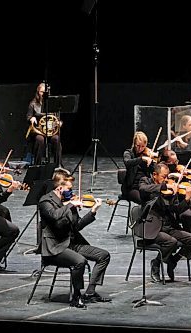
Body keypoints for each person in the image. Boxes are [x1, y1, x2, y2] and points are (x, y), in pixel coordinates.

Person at [39, 173, 111, 308]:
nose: (71, 192)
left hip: (72, 244)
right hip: (55, 248)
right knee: (80, 261)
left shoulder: (69, 203)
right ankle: (76, 296)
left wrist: (93, 212)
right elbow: (54, 217)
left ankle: (90, 292)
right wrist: (70, 205)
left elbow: (77, 226)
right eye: (69, 189)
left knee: (103, 255)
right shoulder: (45, 202)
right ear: (60, 188)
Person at [139, 163, 191, 282]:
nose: (166, 180)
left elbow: (176, 209)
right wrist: (162, 187)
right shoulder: (146, 181)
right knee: (171, 242)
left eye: (167, 177)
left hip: (169, 226)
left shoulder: (170, 190)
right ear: (155, 174)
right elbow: (142, 189)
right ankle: (156, 264)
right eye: (163, 177)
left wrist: (186, 199)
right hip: (153, 227)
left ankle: (173, 261)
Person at [25, 82, 62, 166]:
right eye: (41, 92)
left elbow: (58, 118)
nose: (43, 94)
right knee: (40, 139)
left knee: (56, 139)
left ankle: (58, 165)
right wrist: (32, 118)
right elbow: (28, 116)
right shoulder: (33, 104)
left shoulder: (53, 104)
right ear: (38, 92)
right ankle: (37, 164)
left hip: (50, 131)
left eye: (45, 92)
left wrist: (59, 123)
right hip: (38, 131)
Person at [122, 131, 156, 204]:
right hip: (132, 187)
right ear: (134, 144)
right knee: (143, 201)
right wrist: (141, 159)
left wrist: (152, 163)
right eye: (138, 146)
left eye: (143, 146)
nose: (140, 149)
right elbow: (127, 163)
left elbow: (154, 171)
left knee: (155, 199)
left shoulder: (148, 154)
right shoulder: (128, 153)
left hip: (145, 185)